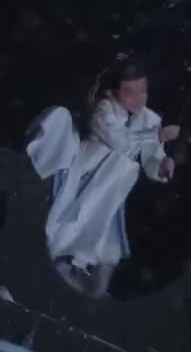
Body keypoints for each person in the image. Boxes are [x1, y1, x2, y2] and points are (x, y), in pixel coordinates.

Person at [24, 60, 180, 297]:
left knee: (102, 216)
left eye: (143, 91)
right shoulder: (104, 110)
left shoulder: (150, 120)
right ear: (112, 93)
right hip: (89, 167)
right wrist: (156, 136)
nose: (138, 99)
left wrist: (162, 166)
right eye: (129, 93)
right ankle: (60, 252)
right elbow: (120, 141)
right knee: (76, 213)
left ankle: (79, 262)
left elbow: (150, 158)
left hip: (114, 181)